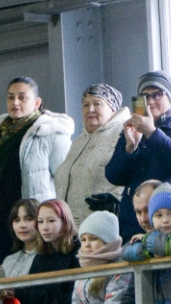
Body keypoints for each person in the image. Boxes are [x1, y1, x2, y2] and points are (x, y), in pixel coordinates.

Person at [0, 77, 74, 258]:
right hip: (1, 217)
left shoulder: (51, 131)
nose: (15, 102)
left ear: (36, 102)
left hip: (36, 217)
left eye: (22, 97)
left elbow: (64, 180)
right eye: (10, 97)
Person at [105, 70, 171, 240]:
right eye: (144, 97)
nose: (150, 101)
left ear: (170, 97)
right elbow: (113, 176)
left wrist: (151, 132)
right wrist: (130, 148)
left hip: (166, 219)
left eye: (157, 95)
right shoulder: (132, 128)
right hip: (132, 219)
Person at [54, 84, 130, 224]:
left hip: (103, 226)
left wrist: (116, 199)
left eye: (97, 104)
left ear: (113, 108)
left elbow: (134, 174)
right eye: (85, 105)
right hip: (70, 229)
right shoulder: (78, 142)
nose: (90, 109)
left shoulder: (125, 133)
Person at [14, 199, 79, 304]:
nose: (44, 227)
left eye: (51, 221)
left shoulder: (78, 253)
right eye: (40, 222)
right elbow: (30, 289)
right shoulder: (42, 254)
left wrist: (35, 296)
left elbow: (69, 300)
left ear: (65, 223)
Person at [0, 199, 41, 278]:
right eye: (17, 220)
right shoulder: (8, 261)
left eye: (29, 219)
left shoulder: (49, 258)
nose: (22, 225)